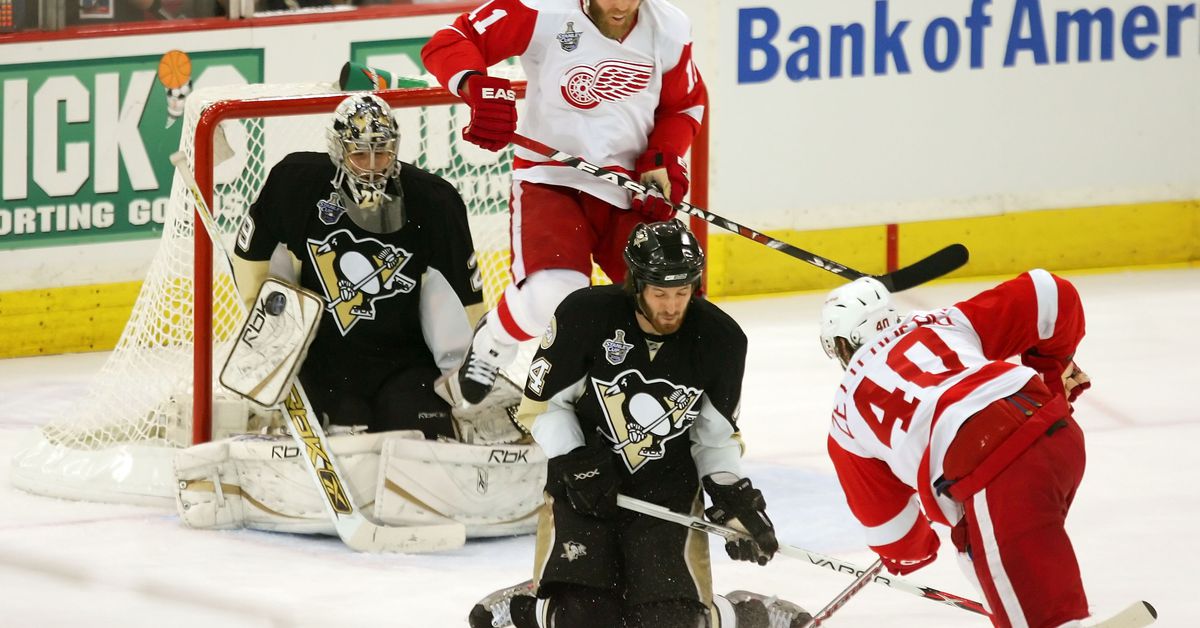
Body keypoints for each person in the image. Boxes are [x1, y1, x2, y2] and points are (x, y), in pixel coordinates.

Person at [467, 221, 810, 628]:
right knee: (585, 620)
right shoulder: (585, 316)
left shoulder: (721, 340)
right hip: (584, 485)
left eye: (682, 293)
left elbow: (714, 439)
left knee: (669, 623)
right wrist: (577, 461)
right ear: (635, 284)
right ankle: (530, 604)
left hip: (668, 493)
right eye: (660, 293)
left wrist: (732, 499)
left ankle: (745, 612)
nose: (671, 306)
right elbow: (541, 406)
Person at [421, 0, 708, 406]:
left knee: (678, 301)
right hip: (551, 179)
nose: (623, 6)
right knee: (555, 297)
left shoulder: (671, 26)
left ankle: (682, 418)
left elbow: (684, 105)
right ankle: (495, 339)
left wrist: (662, 159)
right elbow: (452, 40)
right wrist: (473, 85)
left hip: (627, 191)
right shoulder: (540, 8)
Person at [818, 270, 1094, 628]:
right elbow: (1051, 293)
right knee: (992, 550)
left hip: (995, 472)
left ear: (842, 343)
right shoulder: (940, 323)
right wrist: (1051, 374)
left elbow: (895, 536)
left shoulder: (845, 416)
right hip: (1057, 434)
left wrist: (911, 555)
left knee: (1029, 601)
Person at [232, 93, 483, 440]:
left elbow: (459, 302)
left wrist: (465, 382)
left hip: (404, 363)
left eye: (382, 152)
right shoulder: (296, 185)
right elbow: (256, 265)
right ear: (338, 150)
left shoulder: (433, 202)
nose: (372, 165)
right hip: (323, 362)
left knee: (421, 440)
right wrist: (276, 350)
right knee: (335, 436)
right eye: (360, 153)